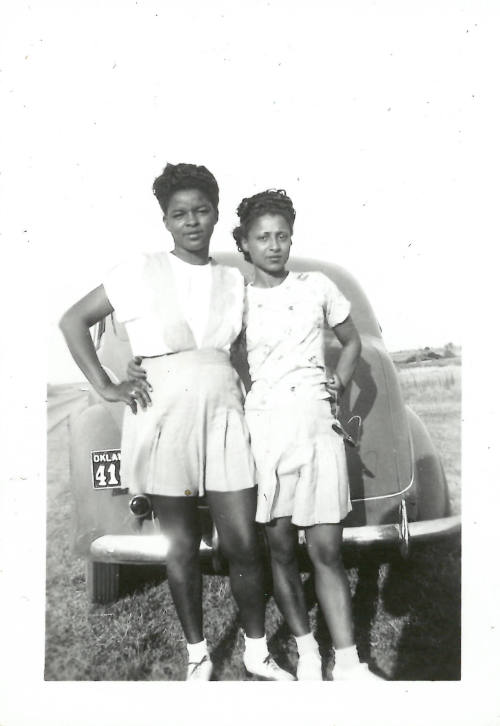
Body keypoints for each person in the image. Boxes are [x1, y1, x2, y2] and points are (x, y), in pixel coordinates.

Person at [59, 163, 294, 682]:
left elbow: (252, 347)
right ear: (165, 220)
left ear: (215, 214)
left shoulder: (234, 280)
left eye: (201, 211)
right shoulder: (136, 269)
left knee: (241, 542)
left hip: (225, 416)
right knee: (181, 546)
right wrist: (107, 385)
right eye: (179, 213)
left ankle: (257, 651)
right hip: (163, 418)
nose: (191, 221)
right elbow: (72, 320)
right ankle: (198, 654)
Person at [231, 189, 385, 681]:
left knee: (327, 551)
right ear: (245, 245)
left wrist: (339, 377)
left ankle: (348, 660)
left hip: (318, 426)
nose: (274, 246)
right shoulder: (237, 299)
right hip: (267, 430)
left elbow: (353, 340)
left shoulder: (316, 286)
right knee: (279, 549)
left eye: (282, 236)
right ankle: (308, 652)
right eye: (263, 238)